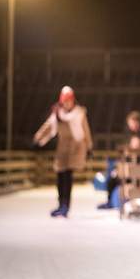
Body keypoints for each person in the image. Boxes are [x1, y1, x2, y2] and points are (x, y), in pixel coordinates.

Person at [33, 86, 93, 218]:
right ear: (61, 101)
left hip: (76, 148)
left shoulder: (79, 113)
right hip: (62, 149)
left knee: (67, 177)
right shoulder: (57, 113)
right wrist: (38, 138)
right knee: (60, 177)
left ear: (73, 101)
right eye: (65, 101)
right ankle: (60, 205)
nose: (67, 103)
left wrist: (89, 147)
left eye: (69, 100)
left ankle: (66, 205)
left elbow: (86, 130)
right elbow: (48, 126)